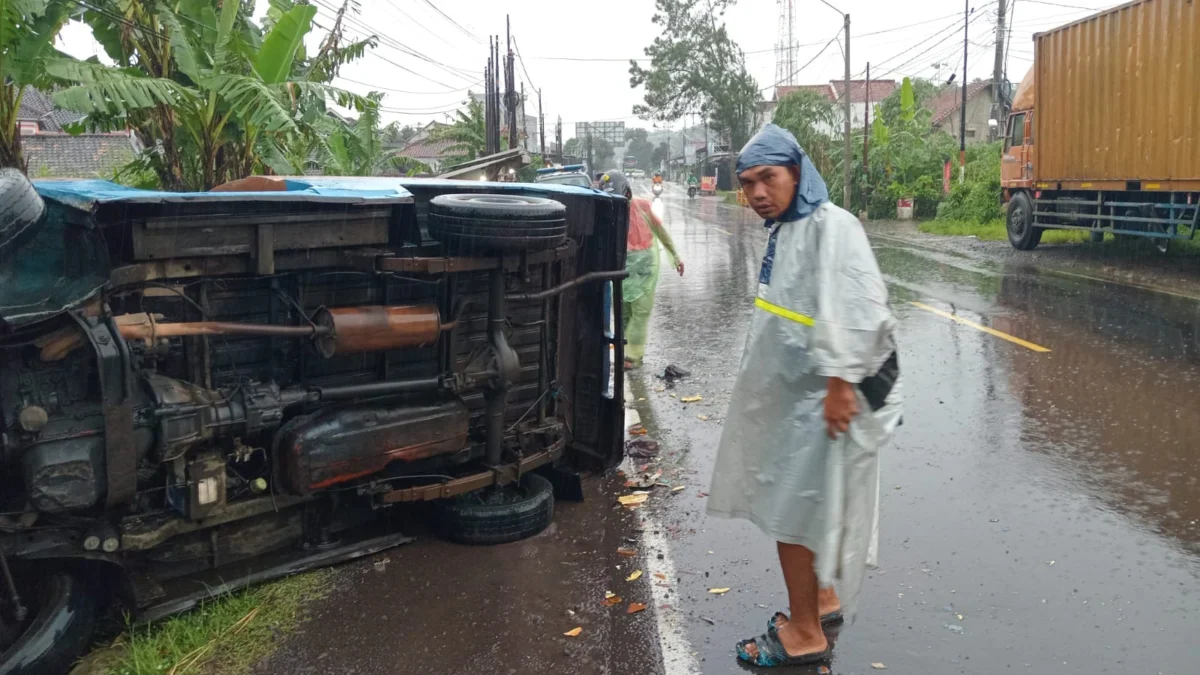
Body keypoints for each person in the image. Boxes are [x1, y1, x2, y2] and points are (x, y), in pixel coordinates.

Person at [705, 124, 902, 667]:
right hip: (796, 401)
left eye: (767, 178)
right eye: (747, 184)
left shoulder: (830, 227)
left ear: (797, 173)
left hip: (819, 402)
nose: (757, 193)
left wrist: (841, 385)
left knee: (791, 515)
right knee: (809, 507)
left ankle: (805, 634)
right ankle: (821, 599)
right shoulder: (788, 228)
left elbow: (863, 307)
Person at [600, 171, 684, 369]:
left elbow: (660, 232)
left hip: (644, 267)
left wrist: (676, 256)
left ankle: (633, 357)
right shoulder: (609, 214)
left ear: (627, 193)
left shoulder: (643, 206)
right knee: (624, 314)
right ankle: (626, 352)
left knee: (640, 313)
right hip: (622, 268)